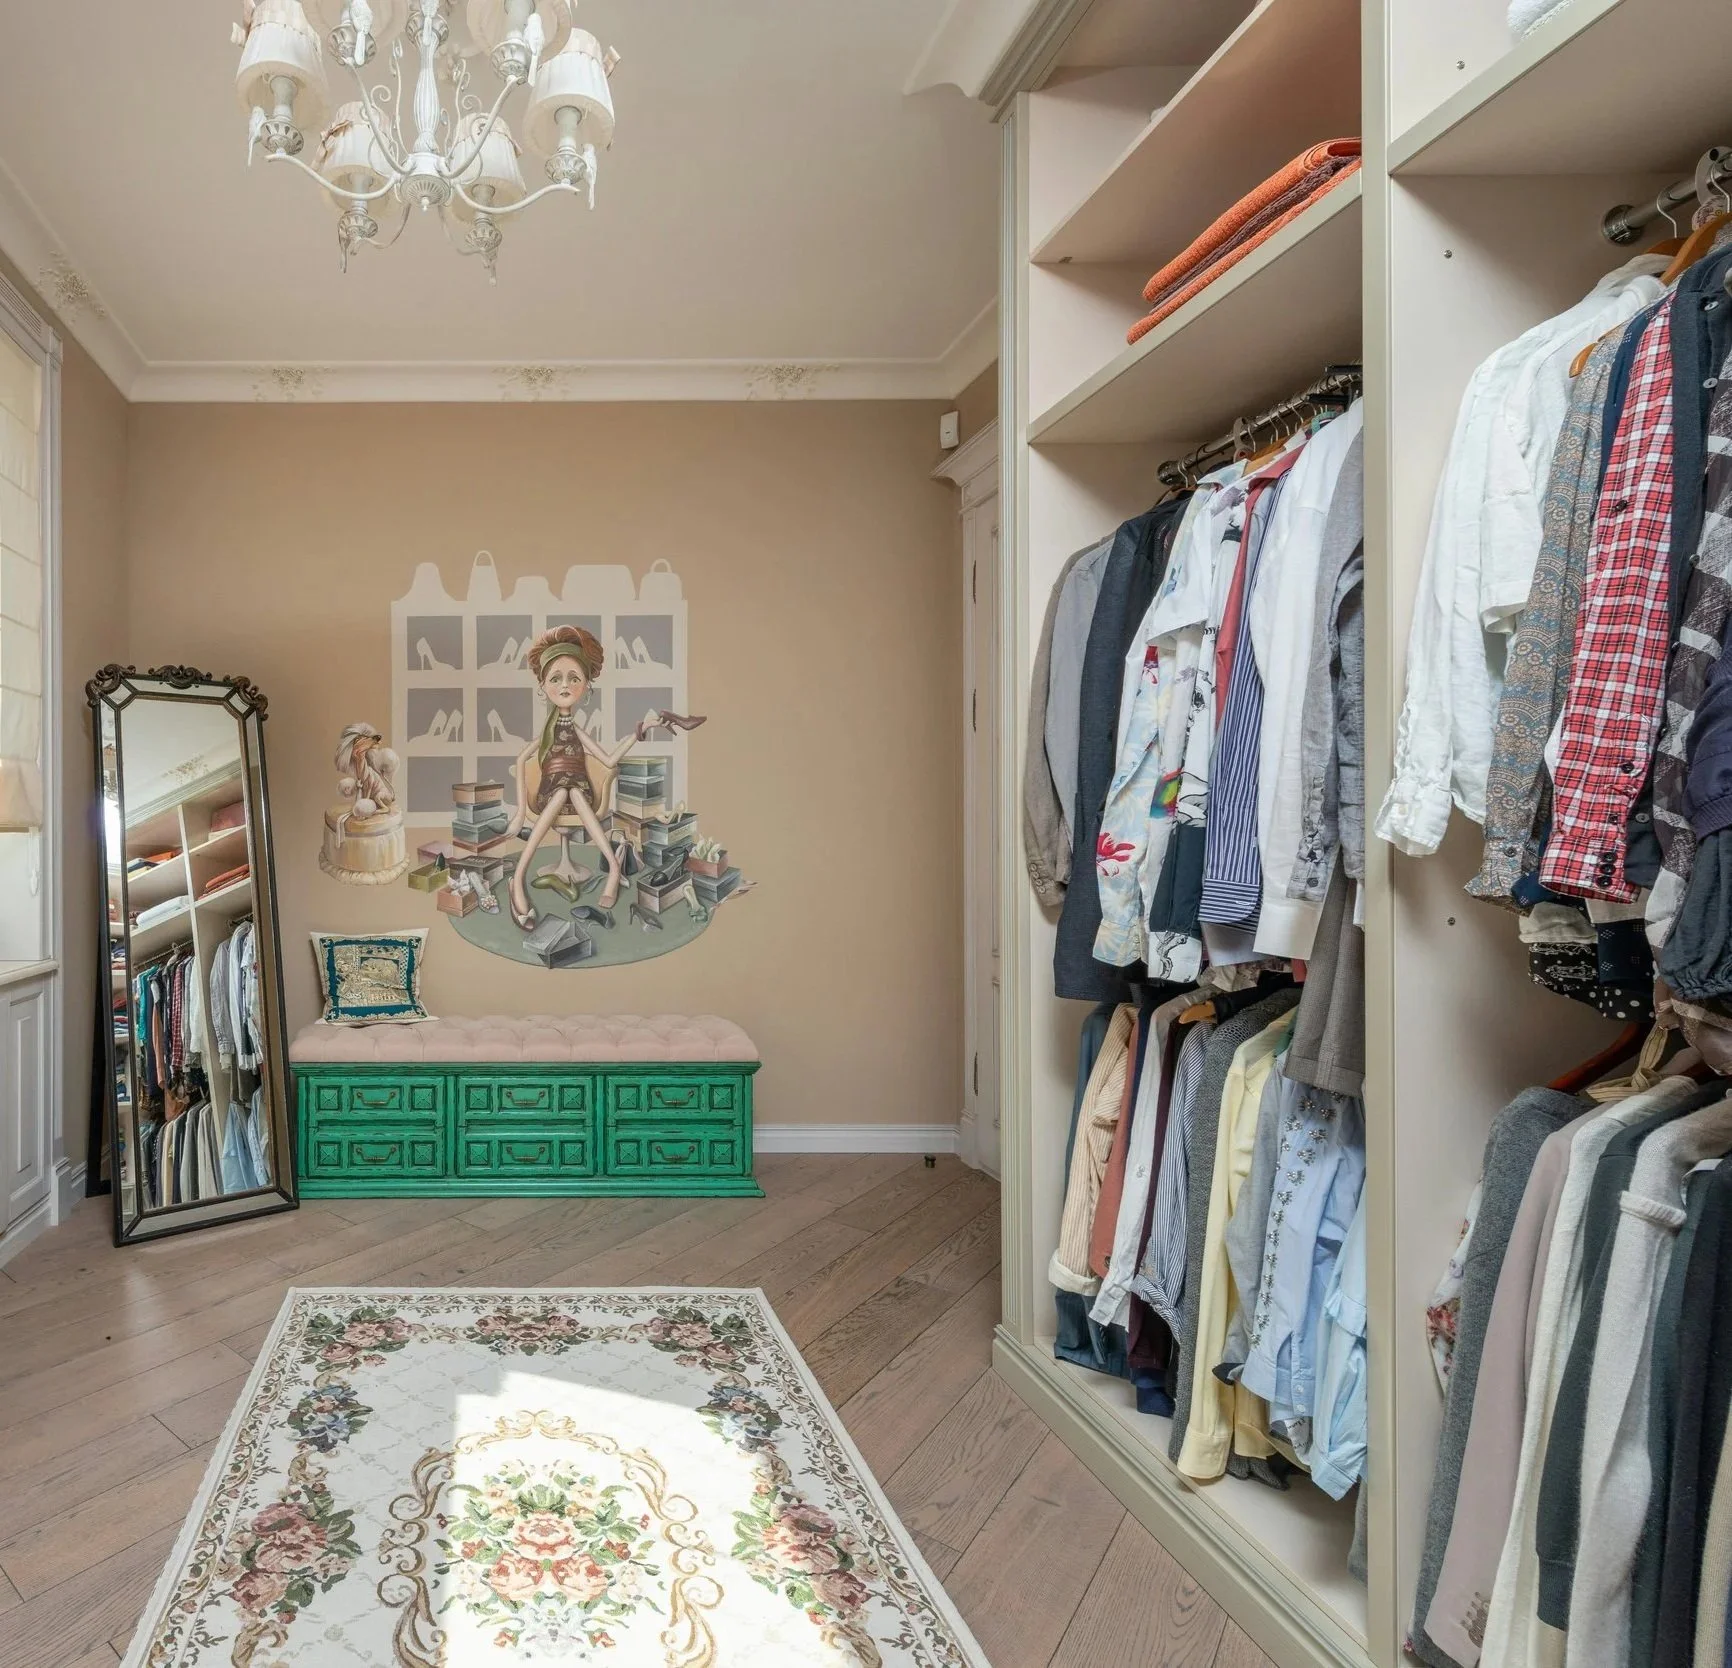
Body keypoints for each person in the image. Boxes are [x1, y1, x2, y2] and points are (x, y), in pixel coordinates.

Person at [507, 625, 647, 930]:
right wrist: (519, 812)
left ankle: (613, 870)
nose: (565, 685)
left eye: (574, 678)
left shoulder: (577, 731)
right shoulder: (548, 731)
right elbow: (520, 760)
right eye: (556, 678)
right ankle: (518, 879)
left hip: (580, 792)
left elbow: (608, 760)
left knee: (570, 790)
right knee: (561, 791)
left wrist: (638, 733)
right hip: (549, 793)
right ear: (543, 685)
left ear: (586, 686)